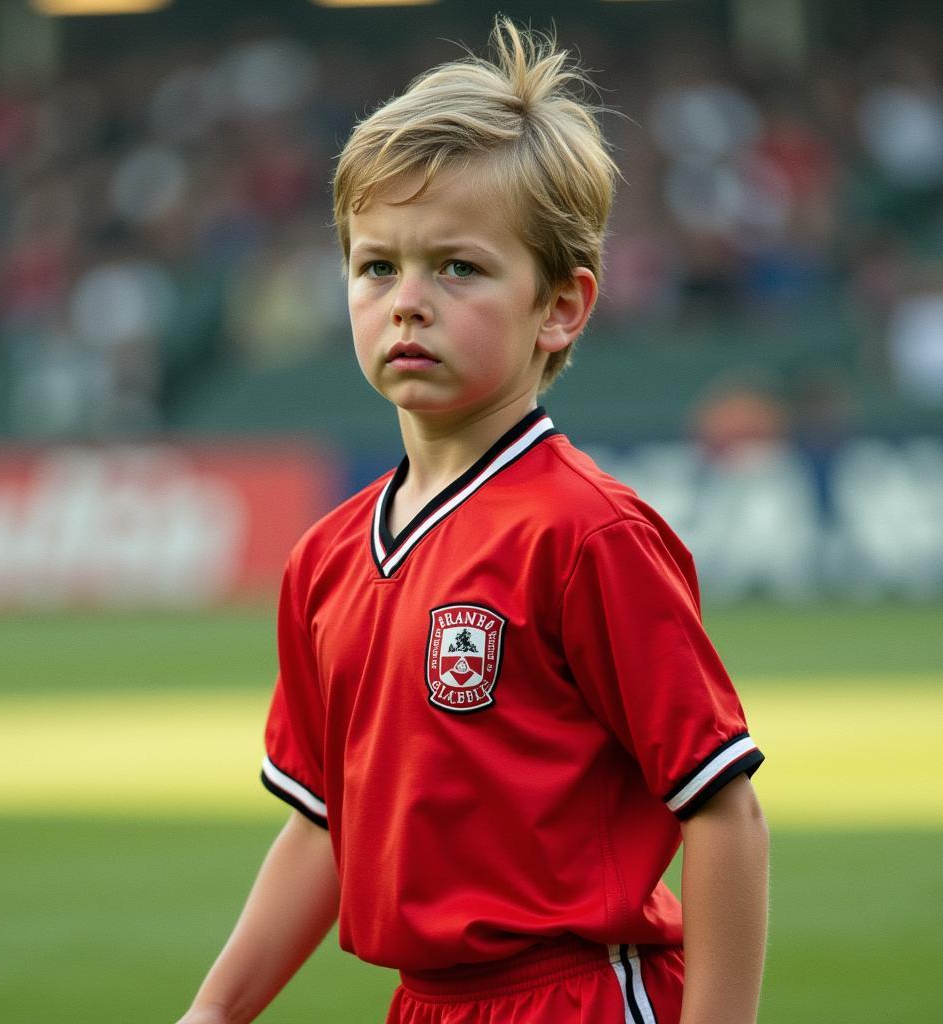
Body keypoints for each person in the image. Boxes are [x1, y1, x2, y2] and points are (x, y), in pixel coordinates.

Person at [176, 19, 768, 1024]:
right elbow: (324, 828)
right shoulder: (324, 560)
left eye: (458, 268)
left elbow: (721, 808)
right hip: (423, 1005)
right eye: (376, 267)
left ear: (560, 308)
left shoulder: (586, 535)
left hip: (577, 995)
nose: (408, 303)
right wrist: (211, 1013)